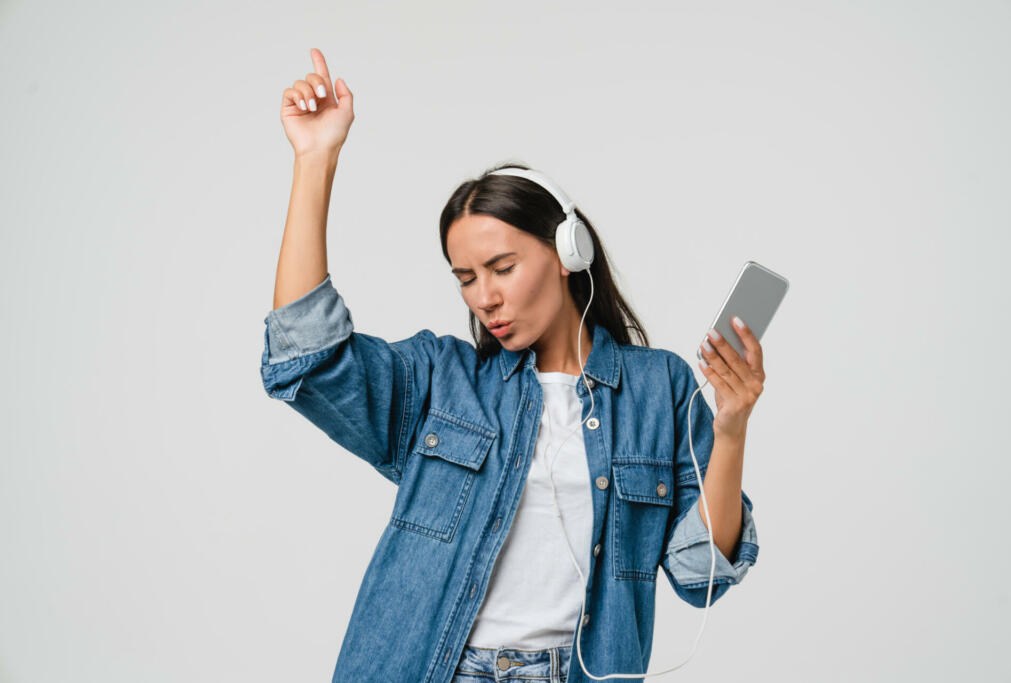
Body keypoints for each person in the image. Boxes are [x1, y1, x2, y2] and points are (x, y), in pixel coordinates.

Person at [262, 48, 765, 683]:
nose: (484, 297)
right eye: (466, 278)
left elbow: (702, 575)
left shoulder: (658, 389)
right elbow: (306, 356)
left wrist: (732, 428)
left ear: (567, 252)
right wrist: (315, 159)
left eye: (502, 268)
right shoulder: (443, 382)